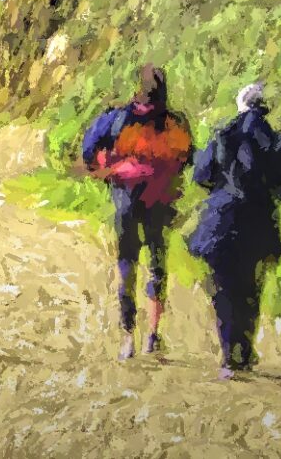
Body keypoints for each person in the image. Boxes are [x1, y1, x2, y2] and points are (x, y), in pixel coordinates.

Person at [189, 81, 281, 380]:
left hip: (221, 222)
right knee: (251, 288)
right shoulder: (274, 140)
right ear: (264, 107)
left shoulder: (223, 134)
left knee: (223, 288)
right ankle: (243, 351)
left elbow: (200, 175)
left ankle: (229, 354)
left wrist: (222, 189)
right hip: (258, 224)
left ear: (240, 104)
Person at [80, 63, 195, 361]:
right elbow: (187, 157)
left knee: (126, 266)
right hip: (161, 201)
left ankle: (128, 337)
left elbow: (89, 151)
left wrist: (107, 172)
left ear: (138, 88)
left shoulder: (117, 119)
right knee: (157, 265)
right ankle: (153, 335)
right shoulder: (175, 123)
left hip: (126, 199)